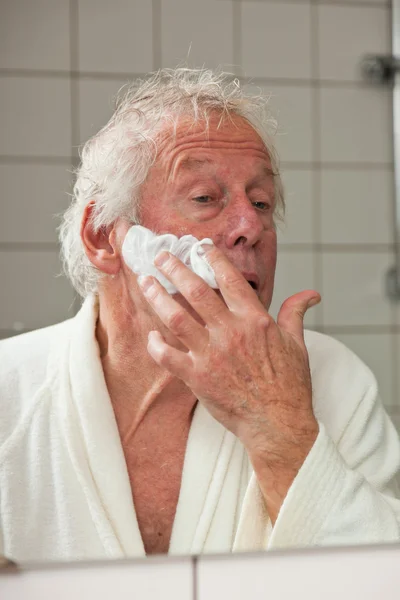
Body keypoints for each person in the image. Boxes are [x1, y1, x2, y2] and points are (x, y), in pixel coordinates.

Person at [1, 68, 400, 563]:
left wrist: (280, 428)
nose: (250, 226)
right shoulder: (9, 391)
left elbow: (384, 576)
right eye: (205, 199)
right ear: (104, 237)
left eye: (261, 202)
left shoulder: (333, 380)